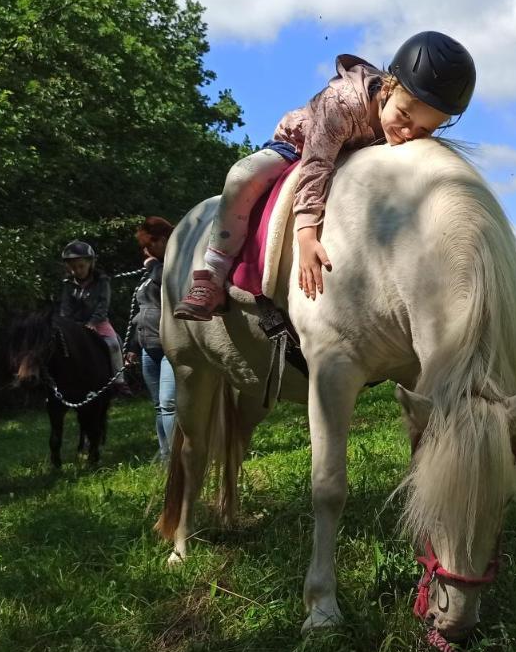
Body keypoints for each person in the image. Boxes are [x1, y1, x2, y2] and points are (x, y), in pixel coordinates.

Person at [173, 30, 476, 320]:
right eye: (405, 115)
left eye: (425, 129)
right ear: (386, 88)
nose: (409, 133)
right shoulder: (341, 103)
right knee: (242, 175)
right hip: (300, 146)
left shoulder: (402, 129)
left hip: (352, 159)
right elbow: (316, 164)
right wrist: (305, 234)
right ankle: (213, 272)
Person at [125, 217, 176, 462]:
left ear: (164, 240)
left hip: (170, 346)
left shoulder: (174, 264)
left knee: (168, 404)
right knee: (158, 405)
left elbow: (168, 281)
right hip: (148, 348)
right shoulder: (150, 271)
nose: (146, 251)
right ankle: (165, 452)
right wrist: (133, 346)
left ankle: (177, 456)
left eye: (150, 245)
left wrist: (152, 265)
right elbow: (141, 313)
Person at [58, 241, 129, 395]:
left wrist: (93, 323)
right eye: (73, 267)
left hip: (98, 322)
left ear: (91, 263)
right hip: (75, 325)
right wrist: (68, 324)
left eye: (81, 266)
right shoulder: (68, 284)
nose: (77, 270)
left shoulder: (102, 281)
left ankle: (119, 381)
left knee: (113, 344)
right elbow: (65, 307)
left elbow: (103, 305)